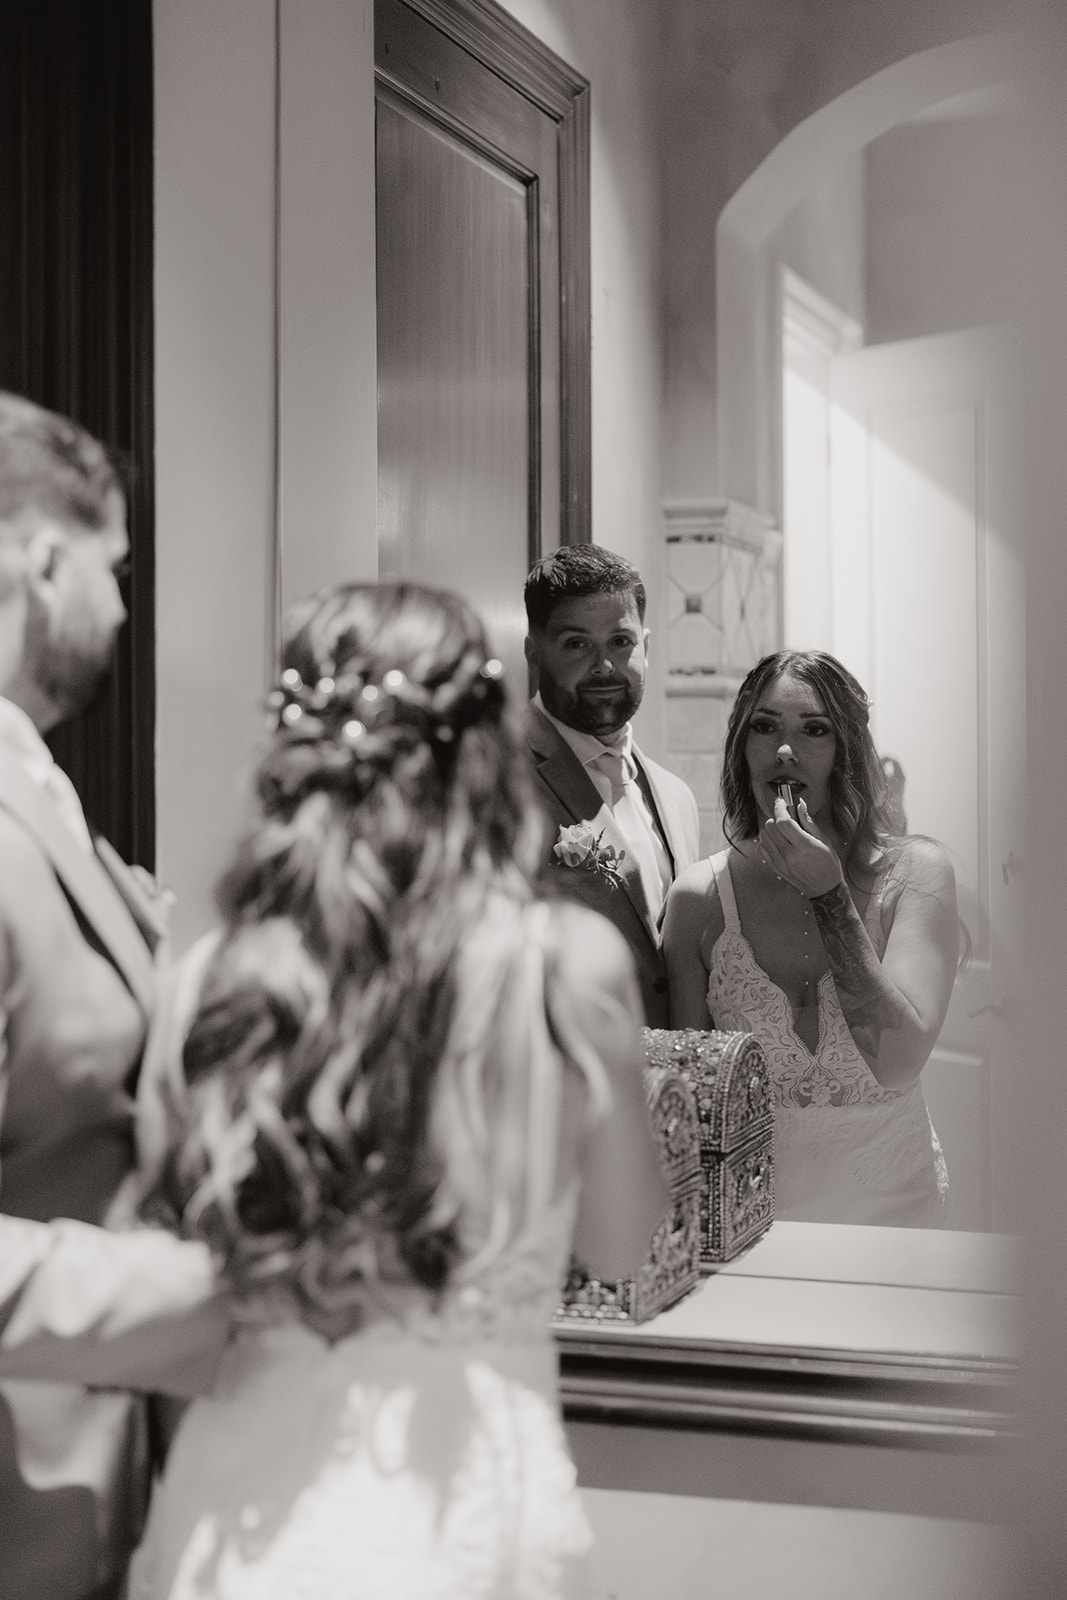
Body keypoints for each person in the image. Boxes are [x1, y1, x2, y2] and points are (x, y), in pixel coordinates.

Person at [128, 580, 668, 1599]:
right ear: (482, 749)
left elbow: (172, 1291)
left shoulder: (203, 981)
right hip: (461, 1518)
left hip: (230, 1511)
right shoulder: (562, 966)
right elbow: (621, 1241)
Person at [0, 391, 226, 1600]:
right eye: (113, 565)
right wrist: (204, 1289)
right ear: (42, 559)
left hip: (87, 1498)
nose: (126, 605)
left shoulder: (34, 789)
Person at [662, 649, 956, 1226]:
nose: (785, 749)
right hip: (755, 1228)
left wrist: (830, 897)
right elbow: (694, 1107)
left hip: (899, 1220)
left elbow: (896, 1064)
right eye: (764, 727)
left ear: (847, 751)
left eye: (814, 729)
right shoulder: (698, 900)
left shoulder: (916, 876)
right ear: (741, 749)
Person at [524, 543, 701, 1027]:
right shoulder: (499, 783)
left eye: (620, 642)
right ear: (534, 653)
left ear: (646, 645)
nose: (604, 665)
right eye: (577, 644)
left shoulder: (676, 797)